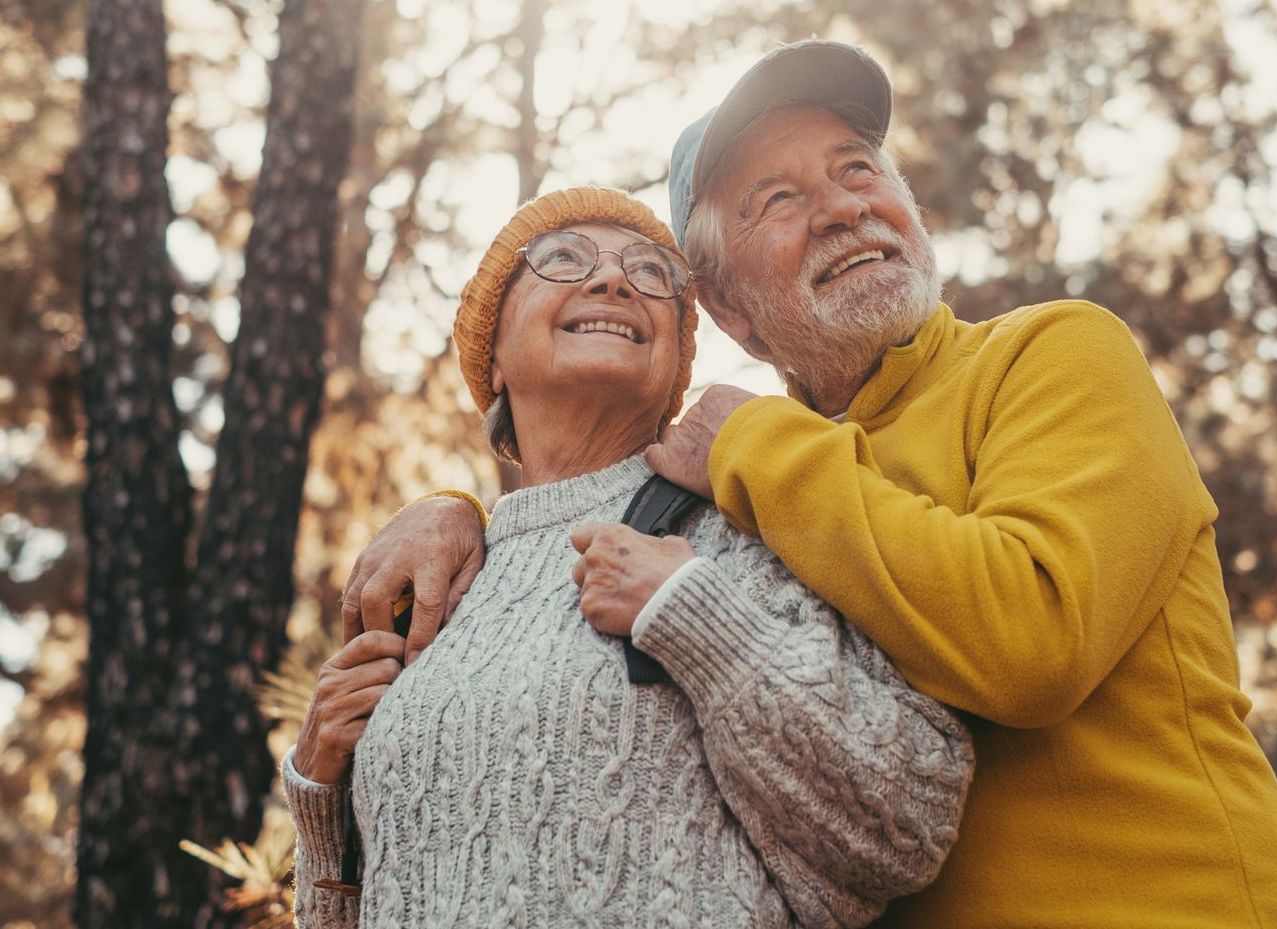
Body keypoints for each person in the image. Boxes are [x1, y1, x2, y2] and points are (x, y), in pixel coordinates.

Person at [346, 43, 1277, 928]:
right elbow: (574, 508)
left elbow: (1033, 637)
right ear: (728, 307)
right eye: (776, 198)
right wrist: (461, 513)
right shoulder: (739, 491)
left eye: (858, 170)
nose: (845, 205)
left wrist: (755, 438)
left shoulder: (1050, 355)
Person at [285, 186, 972, 929]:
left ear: (678, 359)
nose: (612, 281)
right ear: (493, 358)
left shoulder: (743, 528)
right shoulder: (437, 585)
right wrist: (322, 810)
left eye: (650, 273)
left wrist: (698, 616)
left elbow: (906, 824)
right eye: (562, 259)